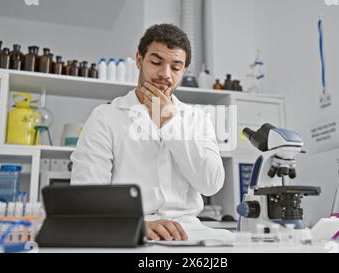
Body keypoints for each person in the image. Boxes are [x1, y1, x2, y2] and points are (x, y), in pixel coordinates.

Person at [70, 24, 227, 241]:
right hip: (130, 229)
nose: (165, 74)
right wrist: (137, 225)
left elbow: (210, 184)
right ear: (139, 59)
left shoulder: (197, 119)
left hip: (188, 232)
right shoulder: (105, 117)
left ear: (184, 71)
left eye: (176, 67)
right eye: (156, 62)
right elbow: (86, 197)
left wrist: (169, 122)